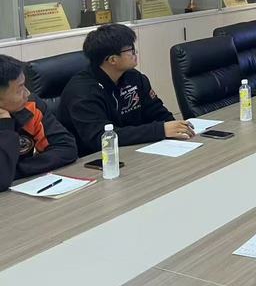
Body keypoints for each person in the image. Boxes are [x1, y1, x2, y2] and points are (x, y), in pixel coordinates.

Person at [60, 24, 194, 156]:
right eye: (130, 50)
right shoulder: (82, 92)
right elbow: (101, 137)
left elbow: (156, 111)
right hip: (96, 159)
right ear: (112, 60)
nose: (135, 53)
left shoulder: (134, 77)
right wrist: (160, 130)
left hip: (135, 150)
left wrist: (178, 128)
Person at [0, 54, 77, 191]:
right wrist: (5, 124)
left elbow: (66, 148)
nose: (27, 93)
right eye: (20, 88)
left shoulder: (30, 105)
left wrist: (15, 170)